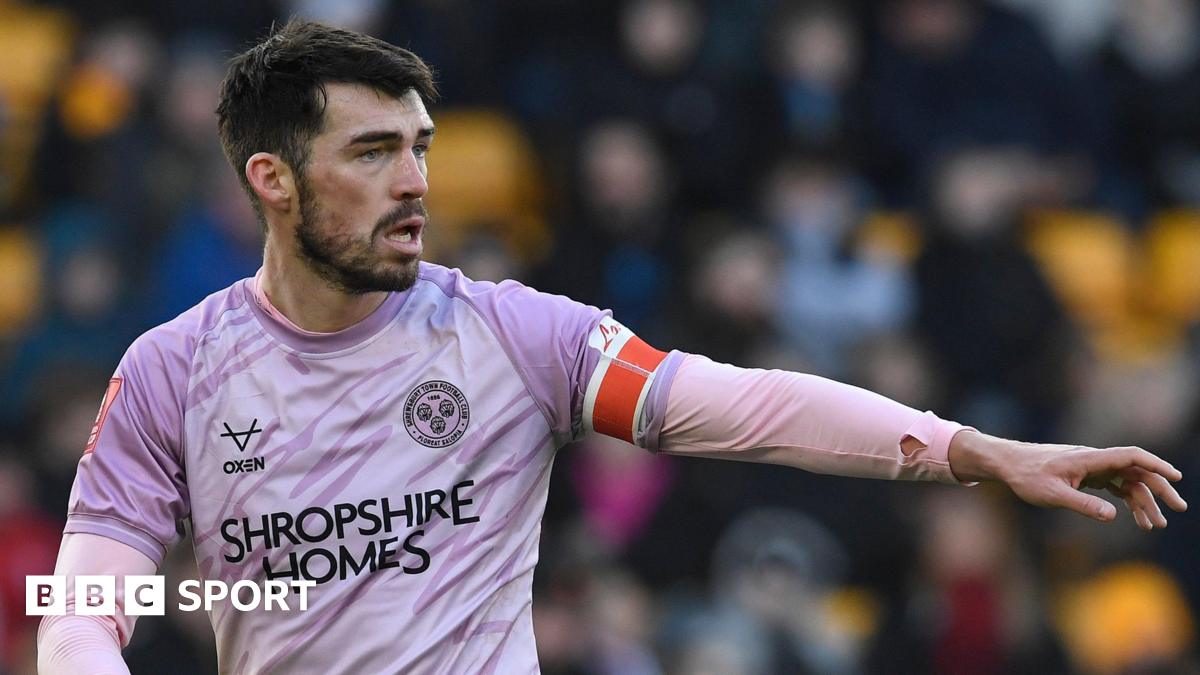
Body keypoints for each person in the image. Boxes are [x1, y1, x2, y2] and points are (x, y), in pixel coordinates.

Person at [36, 20, 1186, 674]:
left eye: (422, 147)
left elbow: (749, 405)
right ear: (273, 180)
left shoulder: (511, 333)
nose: (417, 183)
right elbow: (85, 600)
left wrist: (974, 451)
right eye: (374, 153)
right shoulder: (172, 373)